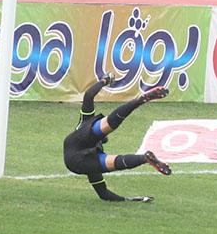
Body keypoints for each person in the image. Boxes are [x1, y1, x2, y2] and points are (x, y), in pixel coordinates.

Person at [63, 73, 171, 202]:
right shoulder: (88, 123)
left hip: (76, 161)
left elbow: (104, 194)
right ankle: (137, 101)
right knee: (105, 129)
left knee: (115, 158)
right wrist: (105, 80)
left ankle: (144, 158)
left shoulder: (88, 126)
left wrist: (105, 80)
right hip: (75, 152)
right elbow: (89, 96)